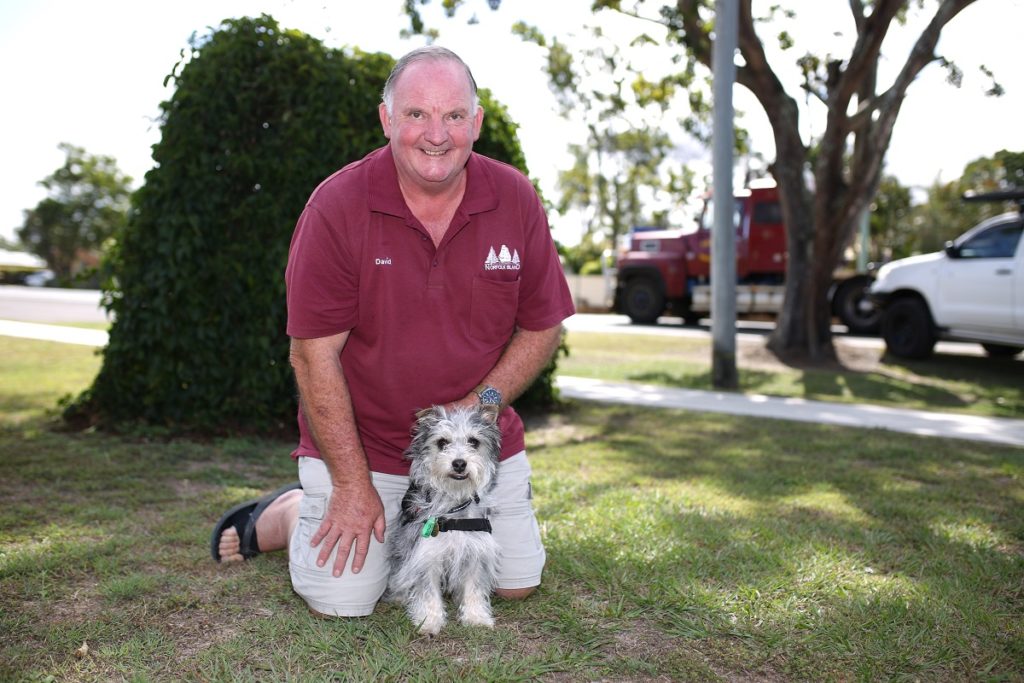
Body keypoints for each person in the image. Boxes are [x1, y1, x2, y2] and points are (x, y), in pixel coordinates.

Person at [212, 45, 575, 618]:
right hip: (366, 445)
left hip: (470, 443)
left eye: (454, 115)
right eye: (416, 115)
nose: (437, 134)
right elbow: (311, 355)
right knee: (346, 599)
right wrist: (352, 484)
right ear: (387, 119)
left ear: (476, 124)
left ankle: (348, 509)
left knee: (515, 584)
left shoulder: (515, 198)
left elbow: (542, 325)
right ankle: (284, 512)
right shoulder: (337, 204)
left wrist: (479, 406)